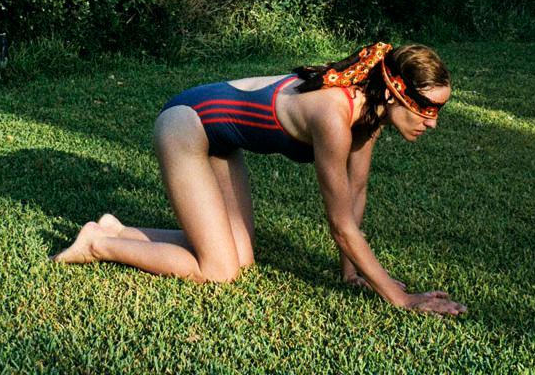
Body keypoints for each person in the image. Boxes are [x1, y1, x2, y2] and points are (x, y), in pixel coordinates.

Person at [52, 42, 466, 316]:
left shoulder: (369, 116)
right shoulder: (333, 116)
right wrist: (401, 298)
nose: (432, 122)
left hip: (221, 139)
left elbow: (355, 192)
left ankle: (118, 229)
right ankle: (97, 244)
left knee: (242, 258)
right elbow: (340, 224)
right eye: (427, 108)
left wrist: (351, 273)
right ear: (394, 93)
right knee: (219, 270)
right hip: (185, 124)